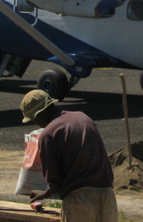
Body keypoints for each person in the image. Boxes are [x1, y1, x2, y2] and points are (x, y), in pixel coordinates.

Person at [19, 89, 118, 221]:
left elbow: (55, 179)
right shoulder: (83, 118)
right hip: (107, 196)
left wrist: (54, 189)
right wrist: (47, 193)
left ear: (39, 115)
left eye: (34, 120)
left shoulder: (49, 134)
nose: (36, 124)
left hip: (79, 200)